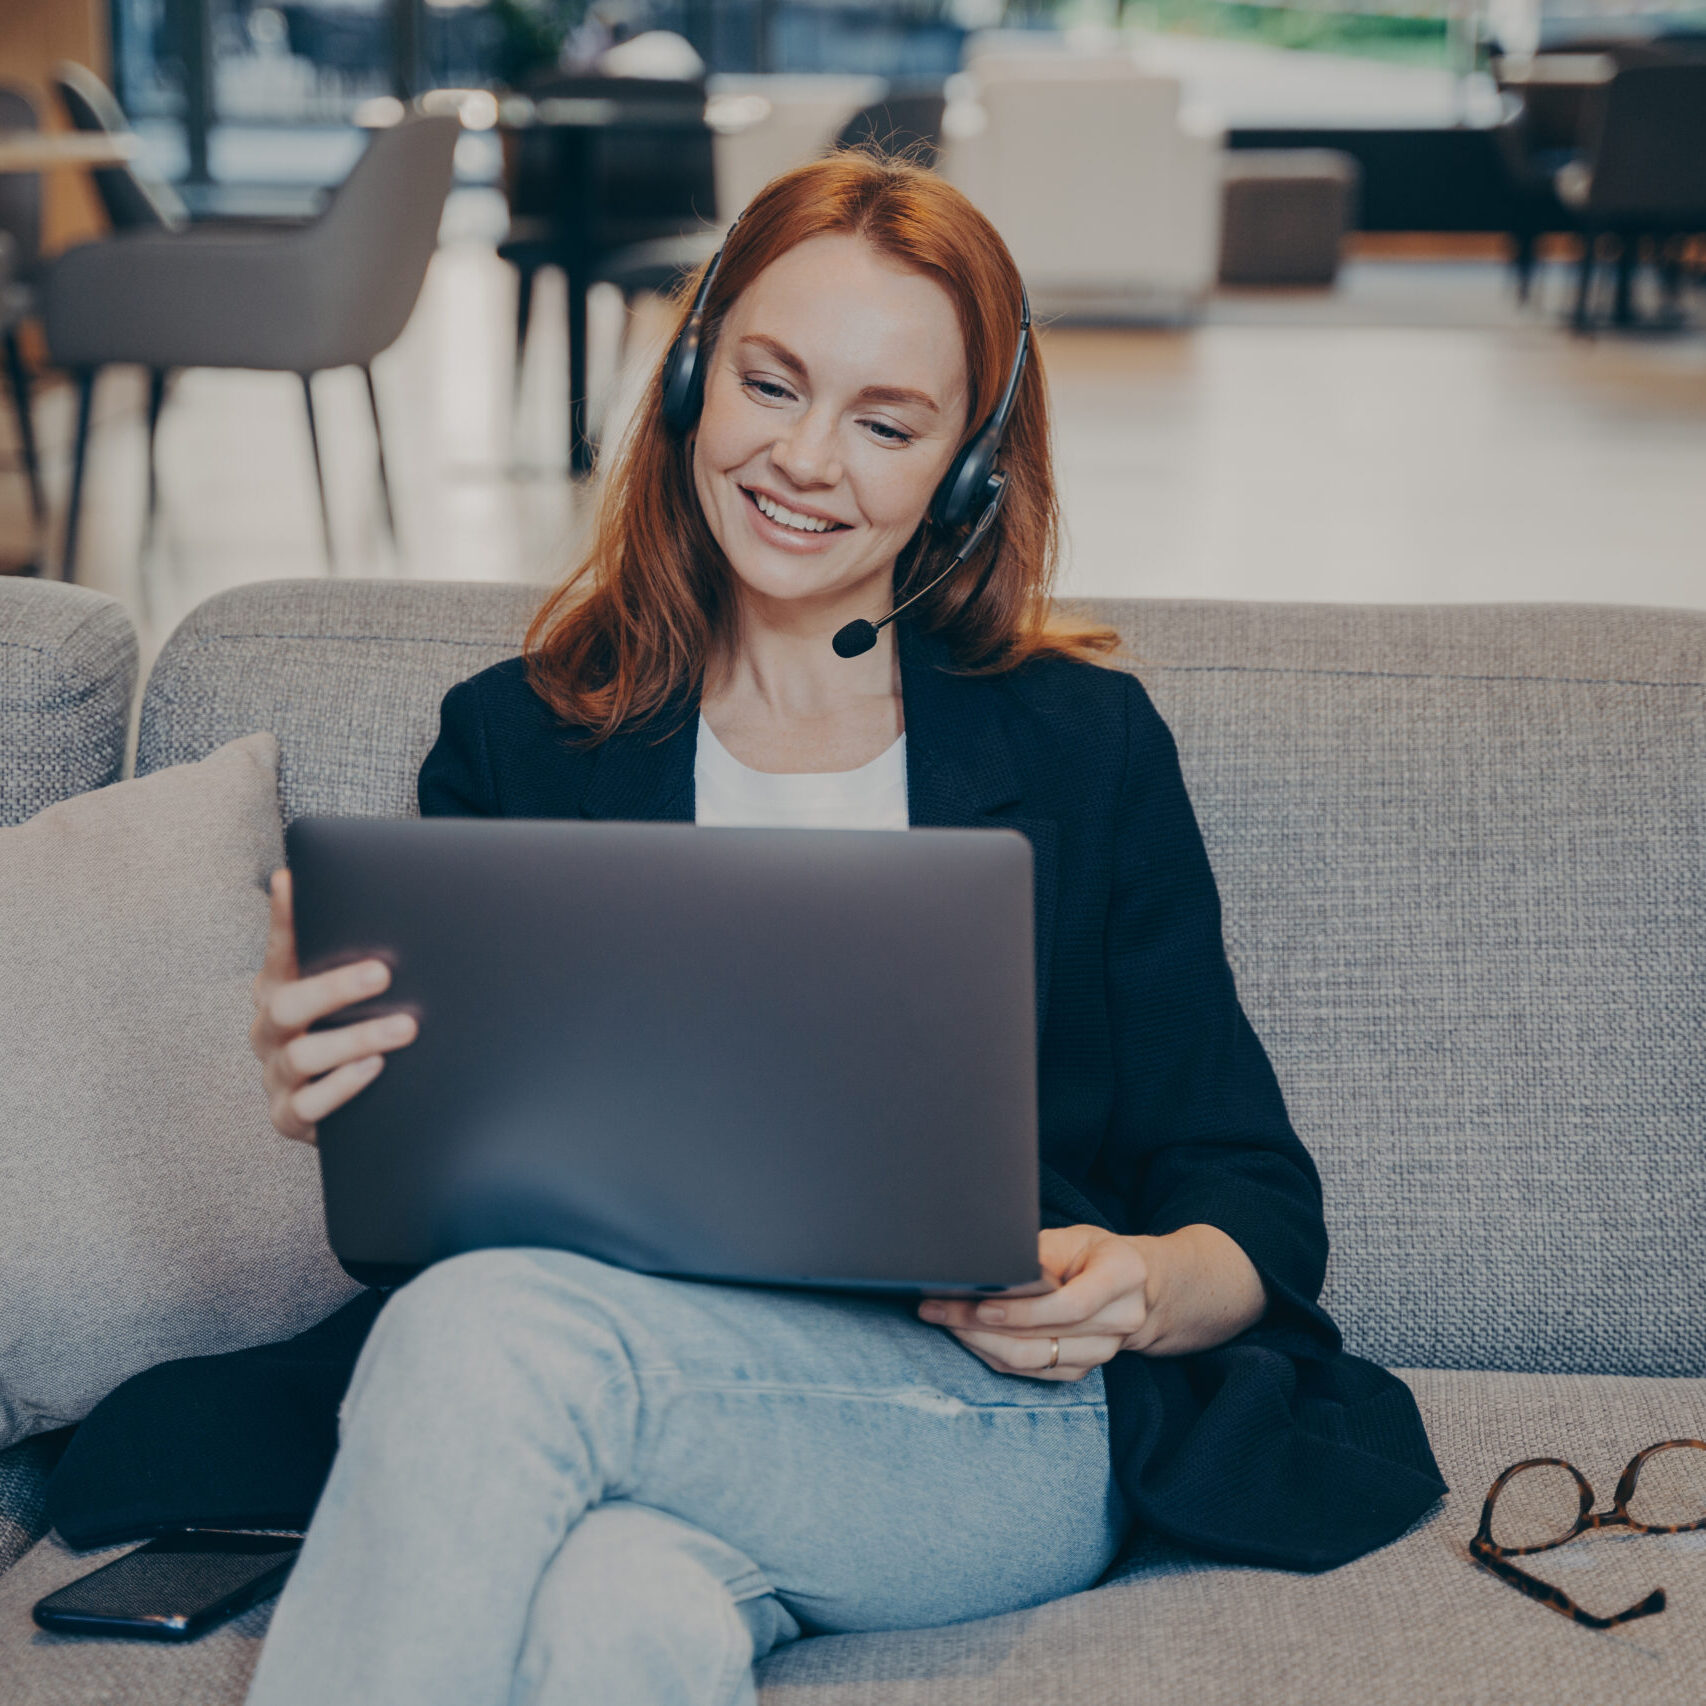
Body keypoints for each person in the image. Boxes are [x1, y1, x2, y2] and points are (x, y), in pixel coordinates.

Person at [243, 152, 1443, 1706]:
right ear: (688, 376)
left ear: (965, 471)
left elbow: (1253, 1201)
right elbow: (444, 1202)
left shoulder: (1083, 747)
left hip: (979, 1428)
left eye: (885, 423)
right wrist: (342, 1100)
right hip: (650, 1402)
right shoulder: (515, 742)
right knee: (621, 1611)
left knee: (488, 1331)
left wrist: (1136, 1281)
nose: (807, 458)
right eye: (770, 382)